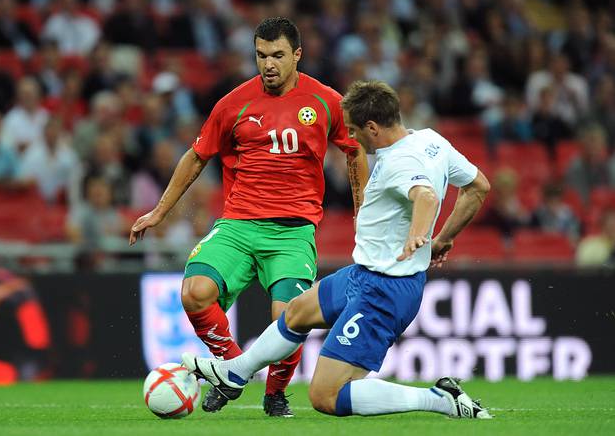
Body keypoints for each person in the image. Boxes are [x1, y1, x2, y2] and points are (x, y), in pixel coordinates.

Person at [182, 80, 491, 419]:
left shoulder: (400, 163)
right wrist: (444, 238)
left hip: (384, 290)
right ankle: (235, 372)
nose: (351, 138)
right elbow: (477, 187)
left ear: (372, 127)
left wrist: (419, 234)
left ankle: (439, 399)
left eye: (355, 130)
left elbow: (426, 197)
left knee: (326, 396)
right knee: (297, 311)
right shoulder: (432, 140)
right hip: (363, 274)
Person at [129, 17, 369, 417]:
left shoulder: (326, 101)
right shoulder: (233, 103)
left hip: (292, 232)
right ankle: (231, 370)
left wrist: (362, 214)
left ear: (297, 55)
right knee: (194, 292)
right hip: (238, 224)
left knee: (289, 318)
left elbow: (355, 150)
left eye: (277, 55)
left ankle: (275, 394)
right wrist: (158, 211)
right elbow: (197, 156)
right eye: (260, 55)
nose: (268, 64)